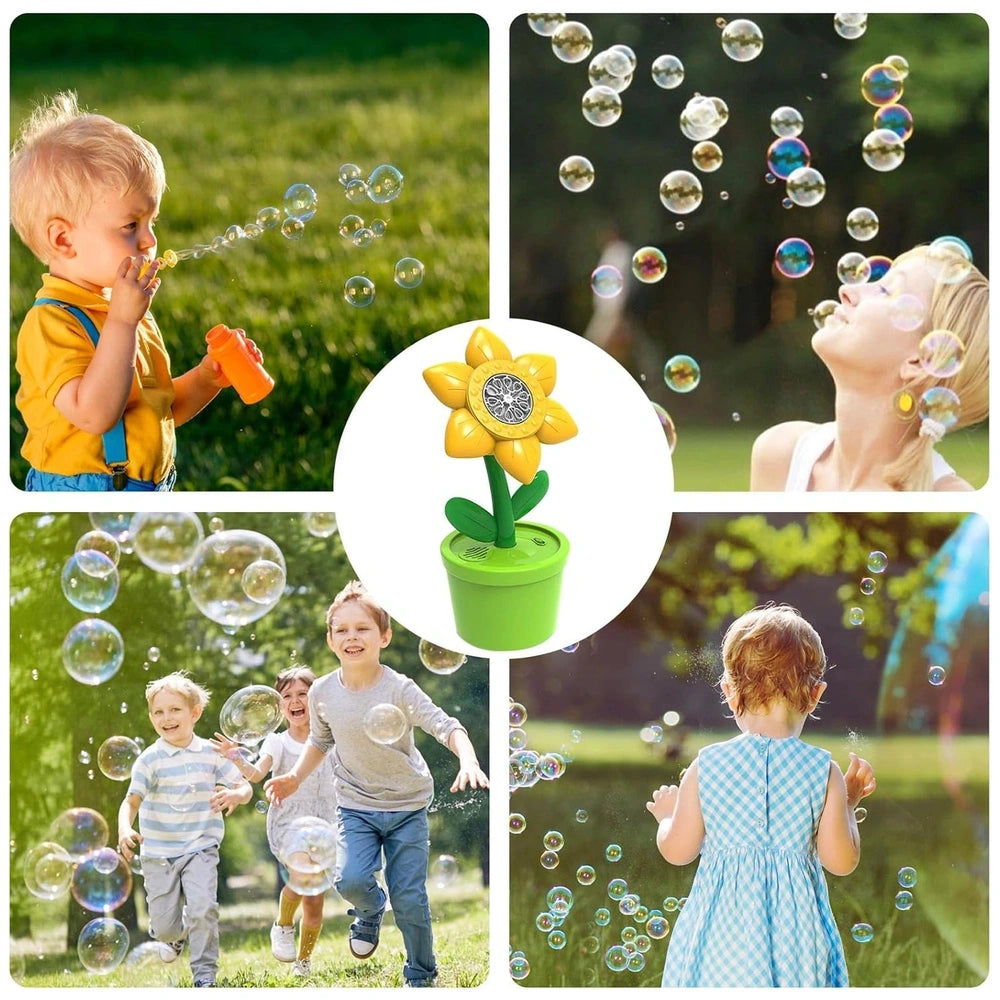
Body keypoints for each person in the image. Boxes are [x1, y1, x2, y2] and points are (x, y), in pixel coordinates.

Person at [10, 90, 260, 491]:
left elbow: (155, 408)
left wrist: (205, 379)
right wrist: (124, 323)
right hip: (84, 489)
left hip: (147, 486)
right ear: (63, 241)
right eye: (130, 226)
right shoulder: (51, 322)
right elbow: (95, 415)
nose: (149, 241)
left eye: (151, 222)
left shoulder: (121, 310)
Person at [264, 581, 490, 988]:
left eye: (363, 628)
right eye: (342, 629)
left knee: (411, 899)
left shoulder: (399, 688)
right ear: (331, 640)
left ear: (383, 636)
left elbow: (445, 725)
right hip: (355, 805)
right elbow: (320, 740)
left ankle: (421, 974)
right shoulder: (321, 692)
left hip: (406, 806)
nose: (352, 636)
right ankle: (370, 910)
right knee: (348, 879)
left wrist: (468, 759)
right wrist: (294, 778)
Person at [645, 604, 877, 987]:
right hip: (797, 939)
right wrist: (848, 806)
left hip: (720, 936)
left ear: (729, 693)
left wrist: (667, 818)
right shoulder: (825, 772)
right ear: (816, 694)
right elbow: (840, 861)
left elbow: (678, 851)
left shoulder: (707, 766)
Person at [751, 241, 988, 491]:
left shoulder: (949, 499)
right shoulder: (780, 456)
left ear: (919, 361)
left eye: (885, 291)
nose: (847, 291)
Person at [118, 673, 253, 988]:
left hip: (200, 847)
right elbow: (131, 801)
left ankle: (204, 975)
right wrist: (125, 828)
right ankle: (174, 937)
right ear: (151, 717)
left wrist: (236, 794)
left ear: (194, 713)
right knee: (165, 927)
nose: (166, 718)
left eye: (174, 710)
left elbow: (243, 786)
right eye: (158, 712)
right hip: (158, 854)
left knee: (203, 908)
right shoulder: (149, 760)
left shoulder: (211, 753)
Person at [209, 666, 338, 979]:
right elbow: (256, 774)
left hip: (328, 823)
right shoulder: (276, 743)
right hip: (290, 822)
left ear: (316, 699)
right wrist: (236, 758)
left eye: (302, 694)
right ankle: (282, 924)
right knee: (301, 878)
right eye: (287, 696)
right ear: (280, 706)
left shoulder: (333, 736)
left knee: (315, 901)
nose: (295, 701)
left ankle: (303, 962)